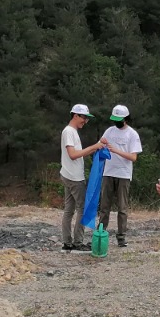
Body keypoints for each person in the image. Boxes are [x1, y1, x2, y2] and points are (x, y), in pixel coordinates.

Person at [59, 104, 104, 251]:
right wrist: (94, 147)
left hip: (69, 174)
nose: (85, 121)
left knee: (69, 209)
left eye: (87, 118)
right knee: (82, 208)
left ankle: (67, 243)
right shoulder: (69, 132)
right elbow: (73, 155)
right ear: (75, 115)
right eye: (83, 117)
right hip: (73, 177)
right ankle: (77, 242)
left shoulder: (72, 132)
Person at [97, 105, 141, 248]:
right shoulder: (109, 131)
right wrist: (101, 145)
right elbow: (100, 144)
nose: (116, 122)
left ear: (125, 119)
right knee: (104, 206)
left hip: (123, 174)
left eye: (119, 119)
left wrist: (116, 150)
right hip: (108, 173)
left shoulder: (132, 134)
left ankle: (121, 236)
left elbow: (133, 157)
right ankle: (100, 233)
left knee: (122, 208)